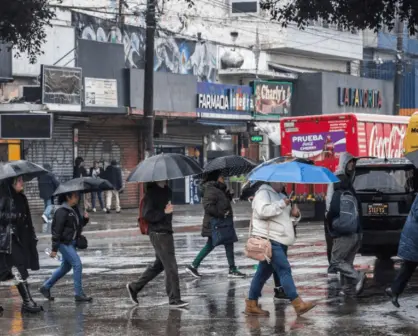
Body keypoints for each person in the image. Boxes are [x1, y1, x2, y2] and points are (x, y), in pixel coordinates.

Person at [245, 181, 316, 317]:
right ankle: (298, 304)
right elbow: (263, 211)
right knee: (284, 269)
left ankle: (251, 304)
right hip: (270, 239)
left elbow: (284, 219)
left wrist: (295, 215)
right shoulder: (263, 193)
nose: (284, 184)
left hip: (279, 239)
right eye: (281, 181)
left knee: (262, 273)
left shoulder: (280, 195)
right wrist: (282, 203)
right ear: (273, 181)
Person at [126, 181, 188, 308]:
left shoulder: (167, 191)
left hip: (166, 230)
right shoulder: (151, 194)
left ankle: (134, 287)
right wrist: (164, 213)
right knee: (171, 266)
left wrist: (168, 213)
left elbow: (167, 212)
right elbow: (147, 215)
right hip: (158, 233)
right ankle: (174, 299)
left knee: (159, 265)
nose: (165, 178)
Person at [186, 171, 245, 278]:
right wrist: (222, 213)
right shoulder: (211, 189)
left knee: (227, 243)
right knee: (214, 244)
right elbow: (208, 206)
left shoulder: (218, 189)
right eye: (222, 177)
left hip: (222, 223)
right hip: (216, 223)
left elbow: (221, 202)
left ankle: (232, 269)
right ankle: (194, 265)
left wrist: (228, 195)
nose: (223, 179)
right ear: (216, 178)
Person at [39, 192, 92, 302]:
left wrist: (85, 219)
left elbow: (78, 226)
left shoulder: (74, 209)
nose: (78, 197)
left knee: (66, 267)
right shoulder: (62, 211)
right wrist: (54, 249)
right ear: (68, 197)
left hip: (71, 243)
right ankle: (79, 294)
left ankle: (45, 287)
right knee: (77, 264)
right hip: (64, 243)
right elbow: (56, 231)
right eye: (75, 196)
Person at [0, 177, 43, 313]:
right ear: (12, 183)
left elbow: (26, 219)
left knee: (9, 271)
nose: (22, 183)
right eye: (18, 180)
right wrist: (13, 216)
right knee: (19, 269)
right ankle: (27, 302)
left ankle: (27, 302)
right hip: (6, 240)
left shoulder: (21, 197)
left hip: (17, 239)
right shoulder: (3, 196)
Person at [327, 173, 366, 297]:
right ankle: (348, 290)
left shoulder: (338, 195)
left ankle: (358, 276)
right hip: (357, 234)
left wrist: (331, 224)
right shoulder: (353, 195)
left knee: (336, 260)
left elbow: (332, 212)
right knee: (347, 263)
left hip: (344, 234)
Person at [386, 194, 418, 308]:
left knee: (409, 265)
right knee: (409, 265)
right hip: (415, 236)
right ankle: (394, 290)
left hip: (413, 236)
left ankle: (394, 290)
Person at [325, 152, 356, 265]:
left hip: (345, 217)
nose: (351, 165)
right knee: (333, 243)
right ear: (344, 163)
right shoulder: (337, 177)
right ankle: (333, 268)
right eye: (349, 163)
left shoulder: (349, 177)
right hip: (336, 216)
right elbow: (329, 197)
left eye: (353, 163)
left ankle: (343, 273)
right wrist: (329, 215)